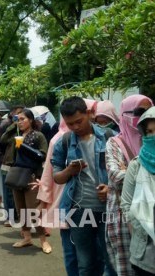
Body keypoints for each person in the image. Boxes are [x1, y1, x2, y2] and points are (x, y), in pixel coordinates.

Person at [52, 96, 115, 275]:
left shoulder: (110, 137)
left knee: (110, 260)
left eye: (79, 121)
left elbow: (123, 171)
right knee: (85, 263)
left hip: (107, 208)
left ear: (89, 114)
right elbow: (57, 177)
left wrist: (110, 188)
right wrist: (69, 171)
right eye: (70, 124)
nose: (75, 127)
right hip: (78, 211)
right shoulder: (64, 142)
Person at [105, 95, 153, 276]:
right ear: (125, 115)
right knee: (127, 268)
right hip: (124, 216)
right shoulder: (115, 143)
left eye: (149, 111)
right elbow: (116, 175)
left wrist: (132, 173)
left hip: (151, 216)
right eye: (140, 112)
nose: (145, 117)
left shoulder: (150, 139)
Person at [0, 109, 51, 253]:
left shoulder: (38, 136)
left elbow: (43, 155)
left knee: (34, 211)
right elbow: (2, 141)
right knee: (20, 209)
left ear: (31, 120)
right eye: (18, 119)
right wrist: (12, 126)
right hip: (17, 175)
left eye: (23, 119)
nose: (20, 122)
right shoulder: (17, 136)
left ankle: (43, 241)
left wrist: (23, 146)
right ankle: (27, 238)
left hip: (32, 176)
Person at [121, 106, 155, 276]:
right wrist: (142, 227)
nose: (153, 136)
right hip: (144, 255)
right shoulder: (136, 165)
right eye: (149, 131)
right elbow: (126, 204)